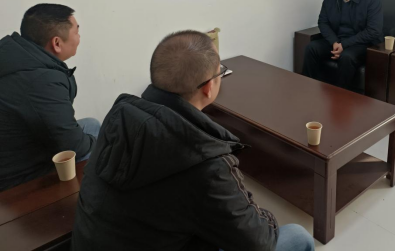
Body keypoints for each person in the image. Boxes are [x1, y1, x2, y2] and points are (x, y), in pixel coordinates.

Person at [72, 30, 314, 251]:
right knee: (297, 236)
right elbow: (260, 242)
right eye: (221, 71)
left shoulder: (119, 115)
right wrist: (260, 213)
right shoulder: (207, 163)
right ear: (208, 87)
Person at [0, 4, 100, 191]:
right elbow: (74, 145)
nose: (79, 37)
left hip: (24, 149)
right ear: (57, 43)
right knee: (107, 149)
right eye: (76, 32)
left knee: (92, 125)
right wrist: (101, 143)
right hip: (18, 176)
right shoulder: (41, 81)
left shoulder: (17, 57)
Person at [302, 0, 383, 90]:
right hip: (337, 39)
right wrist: (334, 42)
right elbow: (323, 22)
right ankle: (308, 89)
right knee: (311, 48)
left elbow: (374, 30)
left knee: (346, 57)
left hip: (361, 43)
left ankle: (339, 97)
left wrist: (344, 45)